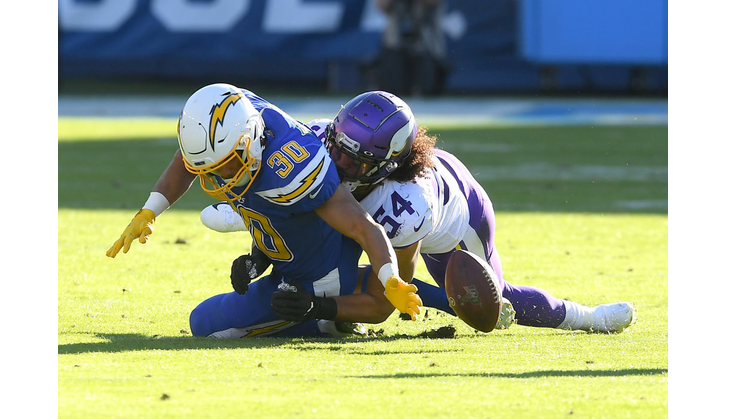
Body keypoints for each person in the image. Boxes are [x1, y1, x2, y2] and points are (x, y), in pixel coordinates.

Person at [203, 91, 637, 334]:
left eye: (351, 160)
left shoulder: (405, 205)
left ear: (383, 165)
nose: (334, 161)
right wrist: (261, 256)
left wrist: (315, 306)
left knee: (489, 305)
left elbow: (384, 301)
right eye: (335, 144)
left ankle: (585, 317)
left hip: (456, 214)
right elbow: (293, 214)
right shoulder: (317, 143)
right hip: (376, 210)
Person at [106, 83, 422, 338]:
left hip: (318, 278)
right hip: (291, 260)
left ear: (251, 141)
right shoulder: (236, 117)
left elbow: (363, 229)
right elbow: (191, 160)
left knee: (204, 326)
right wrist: (150, 211)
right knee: (206, 318)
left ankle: (329, 320)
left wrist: (391, 280)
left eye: (227, 164)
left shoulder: (297, 168)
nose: (222, 175)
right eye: (215, 167)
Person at [374, 0, 448, 96]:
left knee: (427, 90)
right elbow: (382, 5)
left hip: (425, 44)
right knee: (392, 89)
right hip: (396, 43)